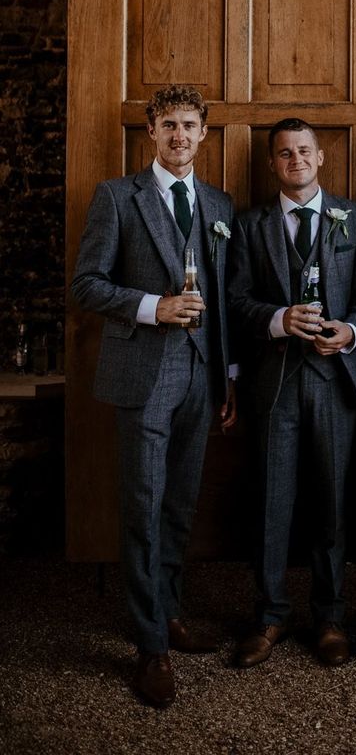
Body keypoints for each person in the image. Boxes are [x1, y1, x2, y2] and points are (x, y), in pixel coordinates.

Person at [71, 85, 235, 709]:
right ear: (151, 132)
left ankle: (167, 611)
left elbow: (222, 299)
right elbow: (86, 284)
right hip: (144, 374)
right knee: (143, 506)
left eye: (190, 125)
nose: (180, 135)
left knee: (180, 505)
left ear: (202, 133)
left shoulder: (218, 202)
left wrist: (228, 379)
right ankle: (149, 646)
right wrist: (152, 307)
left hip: (200, 378)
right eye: (169, 125)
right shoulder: (118, 196)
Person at [227, 118, 356, 668]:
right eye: (285, 153)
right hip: (275, 383)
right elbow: (235, 301)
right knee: (272, 501)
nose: (296, 160)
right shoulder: (248, 226)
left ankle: (330, 616)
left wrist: (352, 332)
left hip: (335, 381)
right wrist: (277, 319)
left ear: (321, 157)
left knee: (333, 503)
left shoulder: (355, 219)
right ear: (272, 163)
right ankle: (270, 615)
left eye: (305, 151)